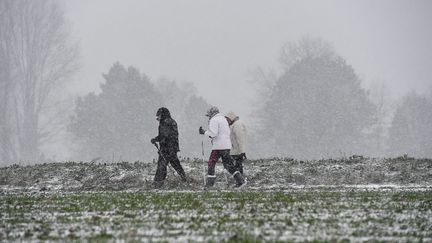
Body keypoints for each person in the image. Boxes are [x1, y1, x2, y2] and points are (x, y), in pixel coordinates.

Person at [199, 106, 246, 188]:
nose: (208, 116)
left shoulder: (214, 120)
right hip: (226, 146)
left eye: (209, 115)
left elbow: (213, 133)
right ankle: (240, 180)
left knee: (211, 162)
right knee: (228, 165)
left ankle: (210, 184)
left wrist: (204, 132)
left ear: (212, 113)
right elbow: (224, 132)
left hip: (218, 146)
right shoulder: (223, 119)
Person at [151, 107, 187, 187]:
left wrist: (156, 140)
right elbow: (170, 135)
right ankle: (184, 178)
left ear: (162, 115)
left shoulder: (164, 122)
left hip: (166, 148)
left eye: (159, 115)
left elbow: (164, 136)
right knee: (176, 164)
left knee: (162, 166)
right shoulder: (172, 121)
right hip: (173, 147)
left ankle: (158, 183)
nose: (157, 117)